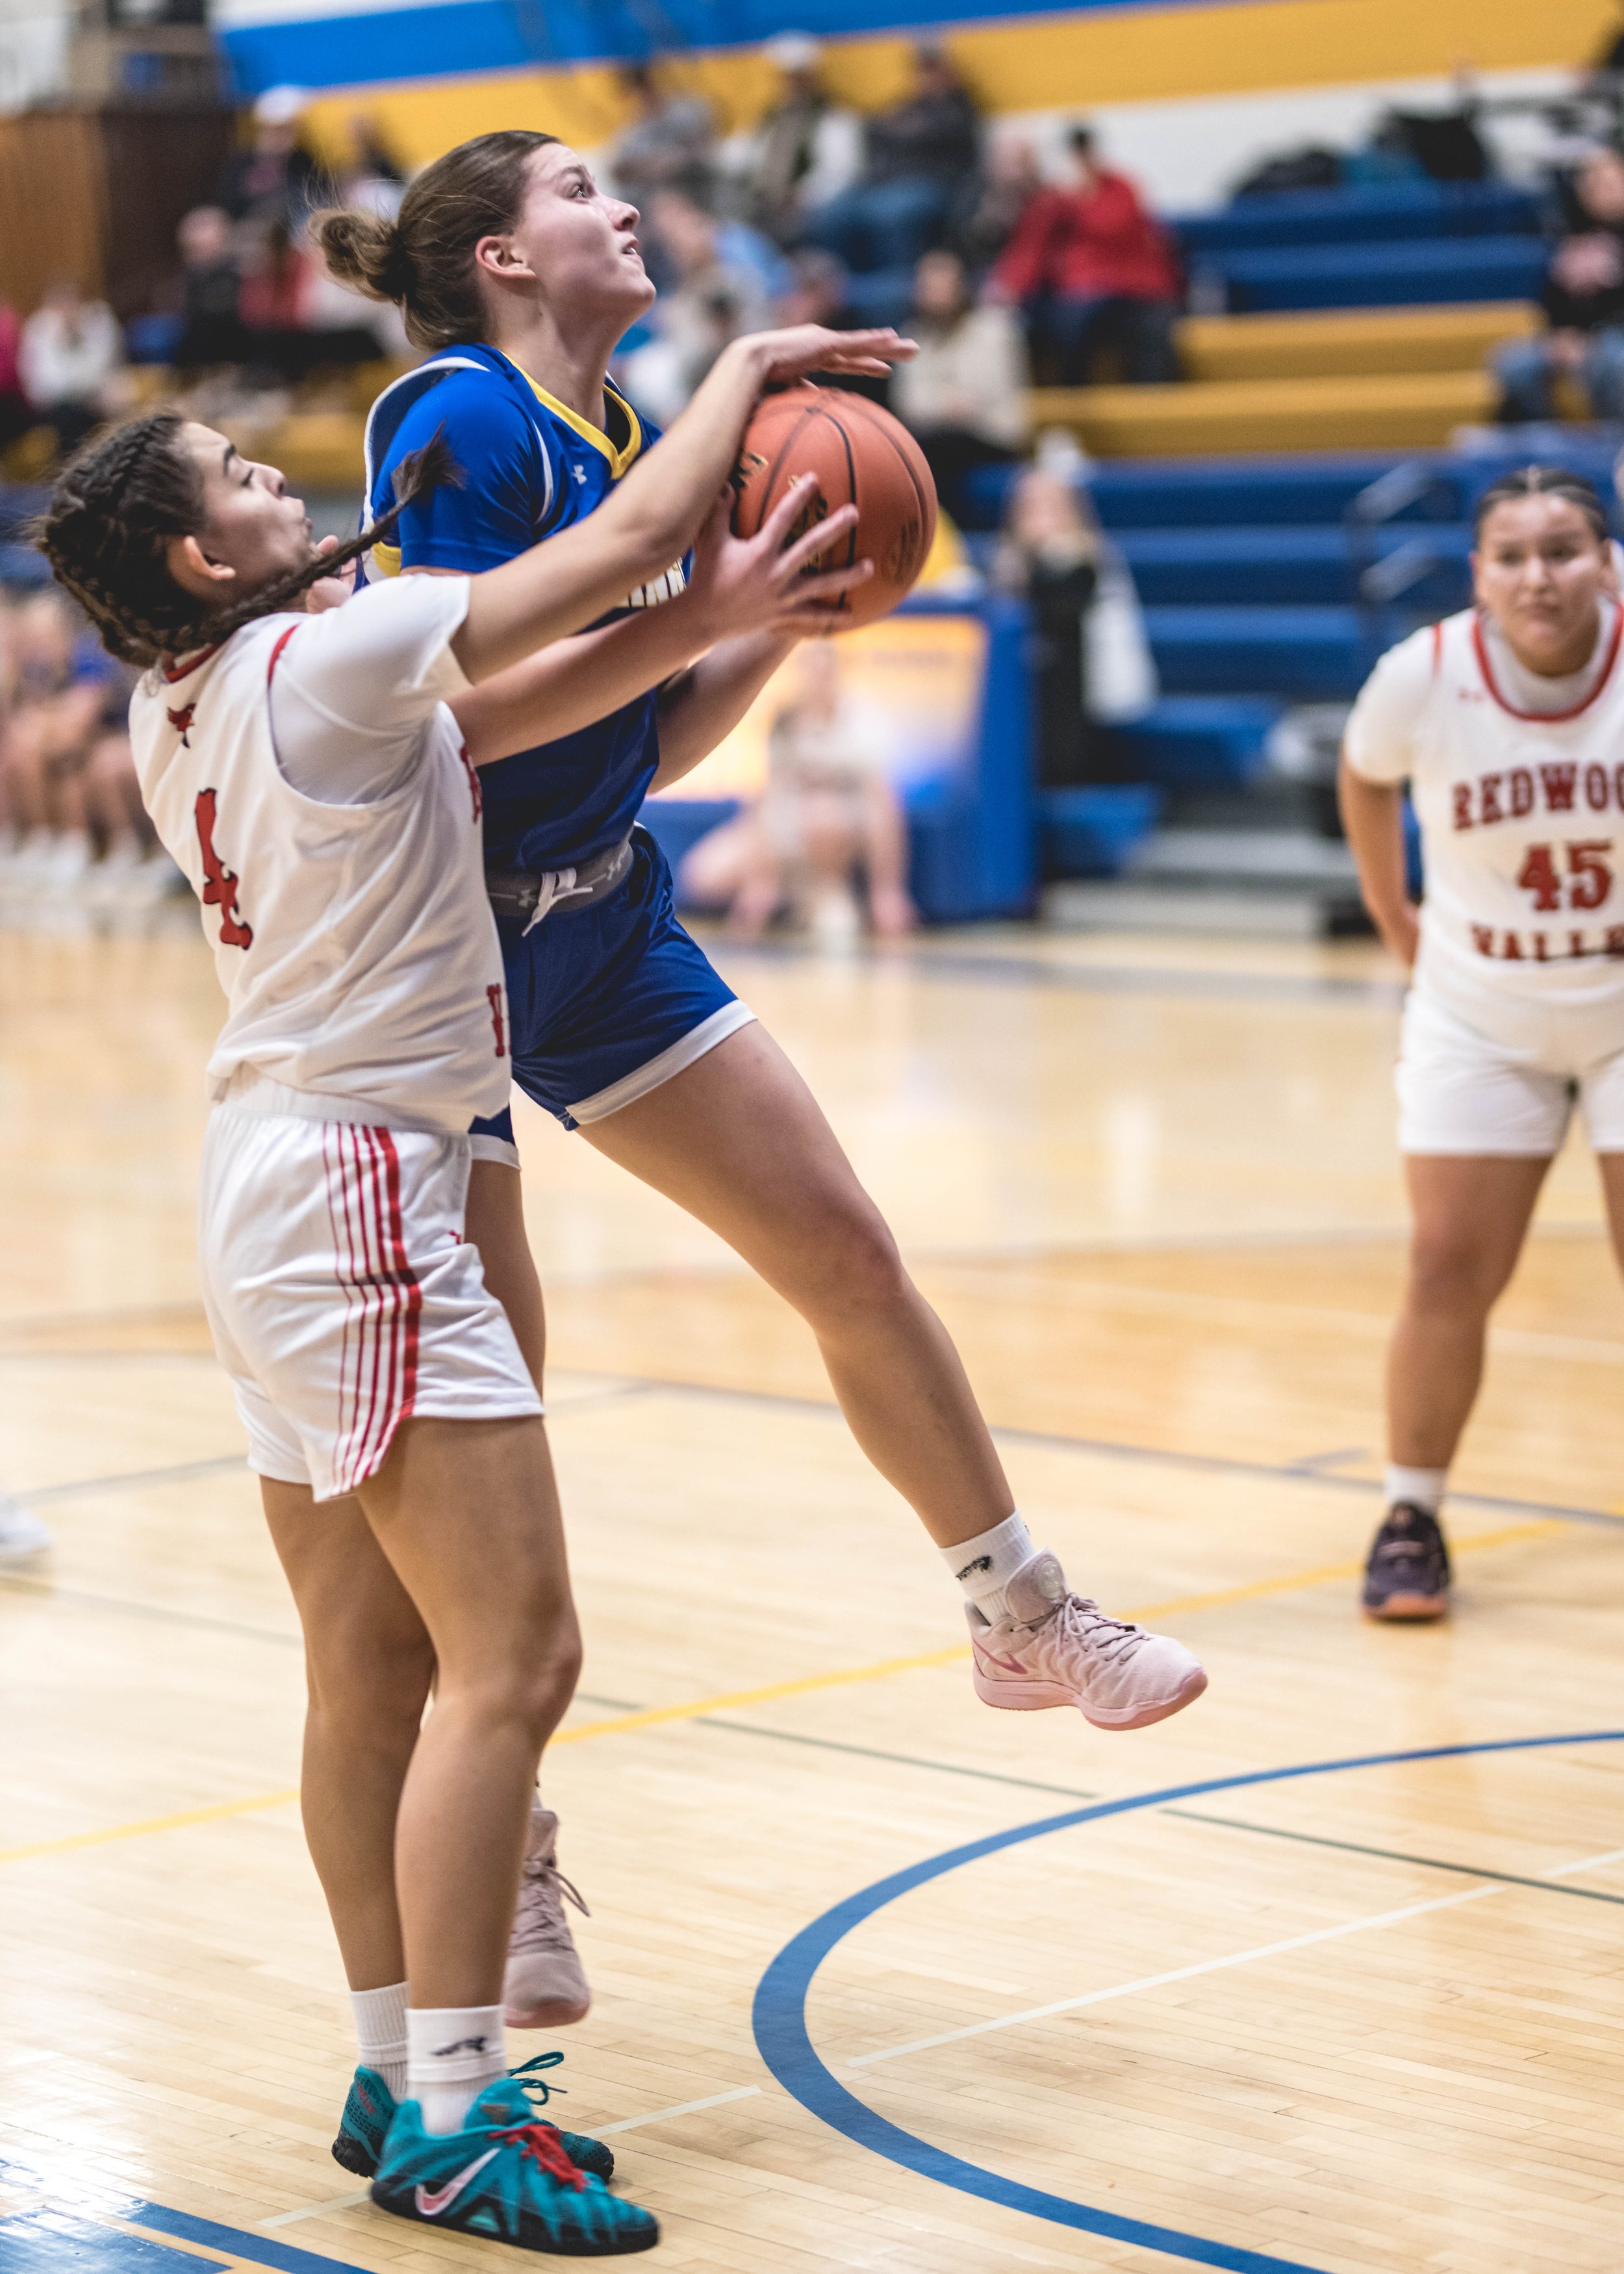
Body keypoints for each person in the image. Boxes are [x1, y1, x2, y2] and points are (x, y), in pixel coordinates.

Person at [317, 127, 1209, 2025]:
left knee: (844, 1244)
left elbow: (637, 722)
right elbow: (461, 713)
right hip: (445, 961)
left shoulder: (632, 431)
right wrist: (716, 563)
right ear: (493, 255)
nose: (619, 207)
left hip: (604, 917)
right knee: (489, 1439)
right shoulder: (449, 418)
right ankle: (516, 1844)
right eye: (576, 189)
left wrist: (772, 633)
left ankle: (1016, 1604)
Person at [36, 314, 881, 2250]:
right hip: (362, 1183)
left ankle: (385, 2053)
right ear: (201, 554)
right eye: (242, 479)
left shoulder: (207, 700)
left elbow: (559, 688)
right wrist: (744, 369)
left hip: (265, 1180)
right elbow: (601, 555)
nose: (282, 485)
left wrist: (735, 613)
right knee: (518, 1656)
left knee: (373, 1664)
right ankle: (453, 2105)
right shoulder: (325, 648)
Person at [1339, 465, 1624, 1620]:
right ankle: (1412, 1513)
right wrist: (1393, 915)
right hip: (1479, 1009)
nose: (1538, 577)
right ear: (1479, 574)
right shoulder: (1424, 675)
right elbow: (1365, 783)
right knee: (1448, 1266)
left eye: (1564, 550)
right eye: (1512, 556)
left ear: (1607, 561)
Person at [679, 637, 916, 940]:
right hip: (786, 837)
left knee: (823, 815)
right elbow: (764, 797)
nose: (819, 672)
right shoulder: (785, 720)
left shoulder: (861, 721)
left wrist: (887, 891)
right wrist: (760, 879)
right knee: (702, 875)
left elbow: (882, 802)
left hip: (837, 833)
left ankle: (828, 892)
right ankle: (794, 899)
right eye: (811, 662)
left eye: (826, 661)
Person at [989, 125, 1181, 387]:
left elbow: (1119, 227)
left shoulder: (1121, 187)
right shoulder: (1053, 199)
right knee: (1068, 324)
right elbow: (1032, 244)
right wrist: (1009, 284)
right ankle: (1074, 398)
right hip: (1083, 290)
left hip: (1136, 288)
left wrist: (1081, 199)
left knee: (1151, 331)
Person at [802, 42, 981, 281]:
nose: (928, 76)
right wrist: (905, 132)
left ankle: (896, 293)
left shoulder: (960, 109)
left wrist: (906, 133)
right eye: (922, 69)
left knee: (891, 215)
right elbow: (873, 131)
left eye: (933, 68)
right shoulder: (906, 106)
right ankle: (843, 292)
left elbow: (934, 137)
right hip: (881, 186)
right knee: (834, 214)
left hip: (932, 187)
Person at [890, 248, 1028, 525]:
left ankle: (933, 527)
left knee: (937, 448)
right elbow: (910, 405)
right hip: (939, 436)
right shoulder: (913, 336)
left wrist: (944, 406)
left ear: (962, 286)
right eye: (928, 285)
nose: (934, 293)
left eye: (942, 284)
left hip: (994, 435)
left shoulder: (995, 329)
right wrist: (948, 406)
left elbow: (979, 399)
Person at [1493, 146, 1624, 424]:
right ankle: (1546, 439)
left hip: (1613, 338)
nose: (1600, 189)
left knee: (1613, 360)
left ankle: (1614, 439)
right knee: (1513, 362)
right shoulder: (1569, 237)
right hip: (1579, 336)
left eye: (1609, 182)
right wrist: (1560, 336)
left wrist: (1592, 339)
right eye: (1591, 182)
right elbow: (1552, 296)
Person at [739, 32, 863, 244]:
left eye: (798, 77)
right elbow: (745, 153)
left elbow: (841, 173)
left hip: (803, 211)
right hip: (761, 204)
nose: (792, 85)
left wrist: (800, 196)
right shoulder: (773, 119)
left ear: (813, 77)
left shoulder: (833, 119)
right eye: (787, 78)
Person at [18, 279, 125, 459]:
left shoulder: (98, 323)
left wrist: (76, 340)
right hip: (55, 408)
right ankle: (79, 464)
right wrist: (62, 341)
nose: (66, 312)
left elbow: (101, 370)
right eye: (59, 307)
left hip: (95, 402)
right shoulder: (39, 332)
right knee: (69, 414)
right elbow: (46, 384)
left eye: (71, 304)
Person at [171, 207, 248, 375]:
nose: (196, 258)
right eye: (191, 250)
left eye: (202, 249)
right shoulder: (189, 284)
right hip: (199, 368)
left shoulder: (242, 281)